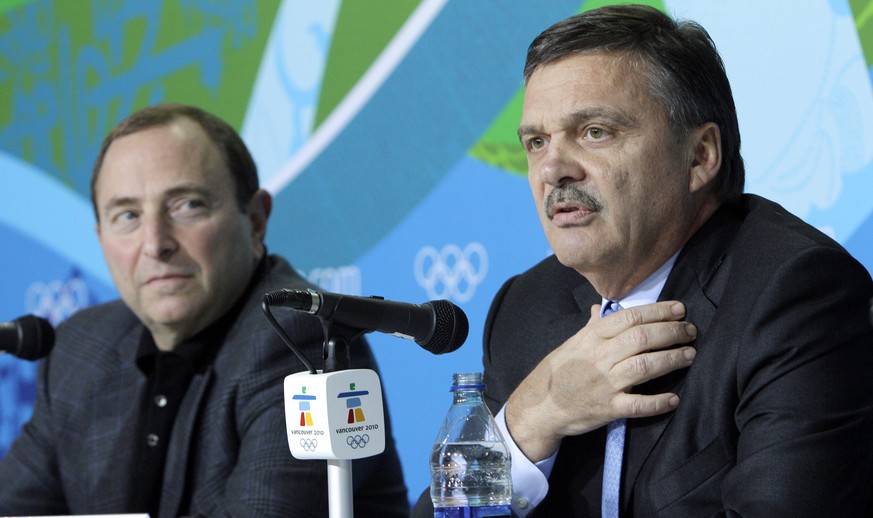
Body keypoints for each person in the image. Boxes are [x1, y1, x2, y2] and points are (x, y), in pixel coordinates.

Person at [411, 4, 873, 517]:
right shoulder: (525, 308)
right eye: (536, 142)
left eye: (595, 131)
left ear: (699, 156)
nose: (553, 169)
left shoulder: (795, 295)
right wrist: (531, 418)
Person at [0, 103, 409, 516]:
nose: (155, 243)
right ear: (100, 236)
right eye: (127, 215)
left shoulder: (301, 339)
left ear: (255, 221)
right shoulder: (80, 350)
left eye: (187, 205)